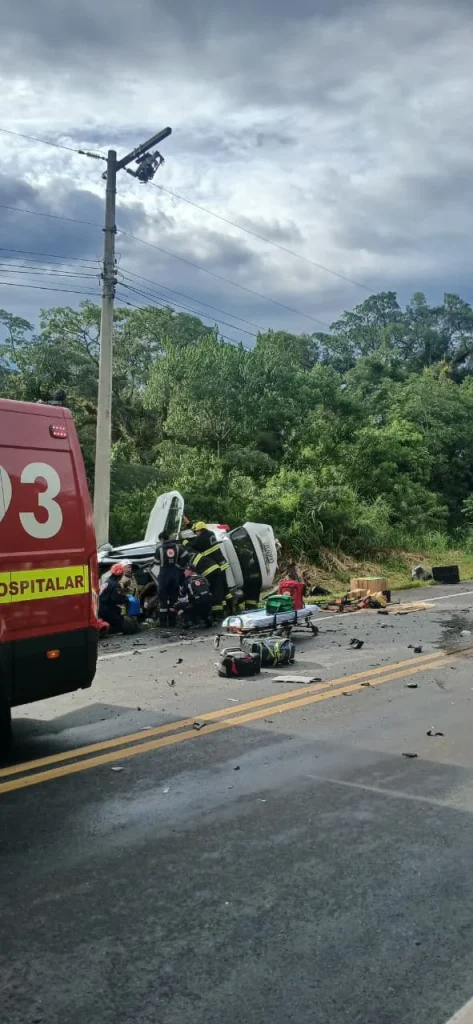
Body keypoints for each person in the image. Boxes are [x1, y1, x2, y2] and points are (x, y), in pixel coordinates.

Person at [181, 522, 231, 620]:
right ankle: (229, 606)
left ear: (201, 530)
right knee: (223, 588)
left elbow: (193, 544)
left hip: (214, 566)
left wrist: (184, 542)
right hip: (221, 564)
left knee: (217, 589)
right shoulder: (210, 533)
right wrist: (189, 524)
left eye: (197, 532)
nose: (196, 533)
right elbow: (197, 538)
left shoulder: (202, 538)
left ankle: (219, 612)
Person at [155, 531, 184, 628]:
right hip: (175, 574)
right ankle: (172, 623)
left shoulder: (159, 549)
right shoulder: (177, 547)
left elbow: (156, 562)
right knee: (173, 599)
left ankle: (163, 623)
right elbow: (186, 556)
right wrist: (178, 565)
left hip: (164, 575)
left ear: (162, 539)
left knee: (163, 599)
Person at [98, 563, 127, 634]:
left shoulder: (107, 582)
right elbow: (115, 599)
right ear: (120, 574)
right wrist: (124, 599)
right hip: (108, 609)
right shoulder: (115, 584)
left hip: (100, 608)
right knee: (120, 625)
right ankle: (106, 631)